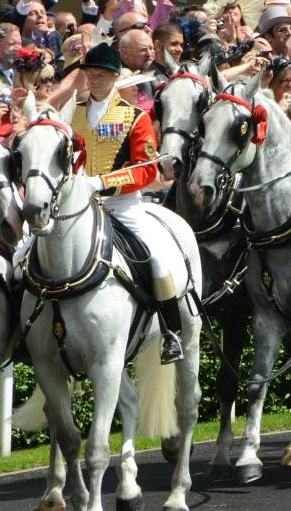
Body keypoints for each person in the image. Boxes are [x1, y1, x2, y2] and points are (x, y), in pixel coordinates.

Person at [65, 43, 182, 363]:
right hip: (77, 206)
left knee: (156, 260)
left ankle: (172, 333)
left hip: (122, 206)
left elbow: (146, 169)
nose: (96, 80)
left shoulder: (135, 117)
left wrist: (102, 182)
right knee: (27, 254)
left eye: (102, 75)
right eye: (91, 74)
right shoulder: (72, 113)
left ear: (115, 77)